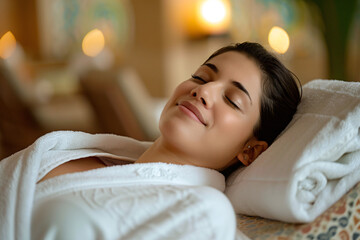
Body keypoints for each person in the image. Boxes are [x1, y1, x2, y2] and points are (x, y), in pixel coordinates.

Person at [0, 42, 301, 240]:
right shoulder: (87, 151)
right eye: (201, 77)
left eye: (232, 100)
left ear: (250, 151)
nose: (203, 92)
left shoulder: (202, 212)